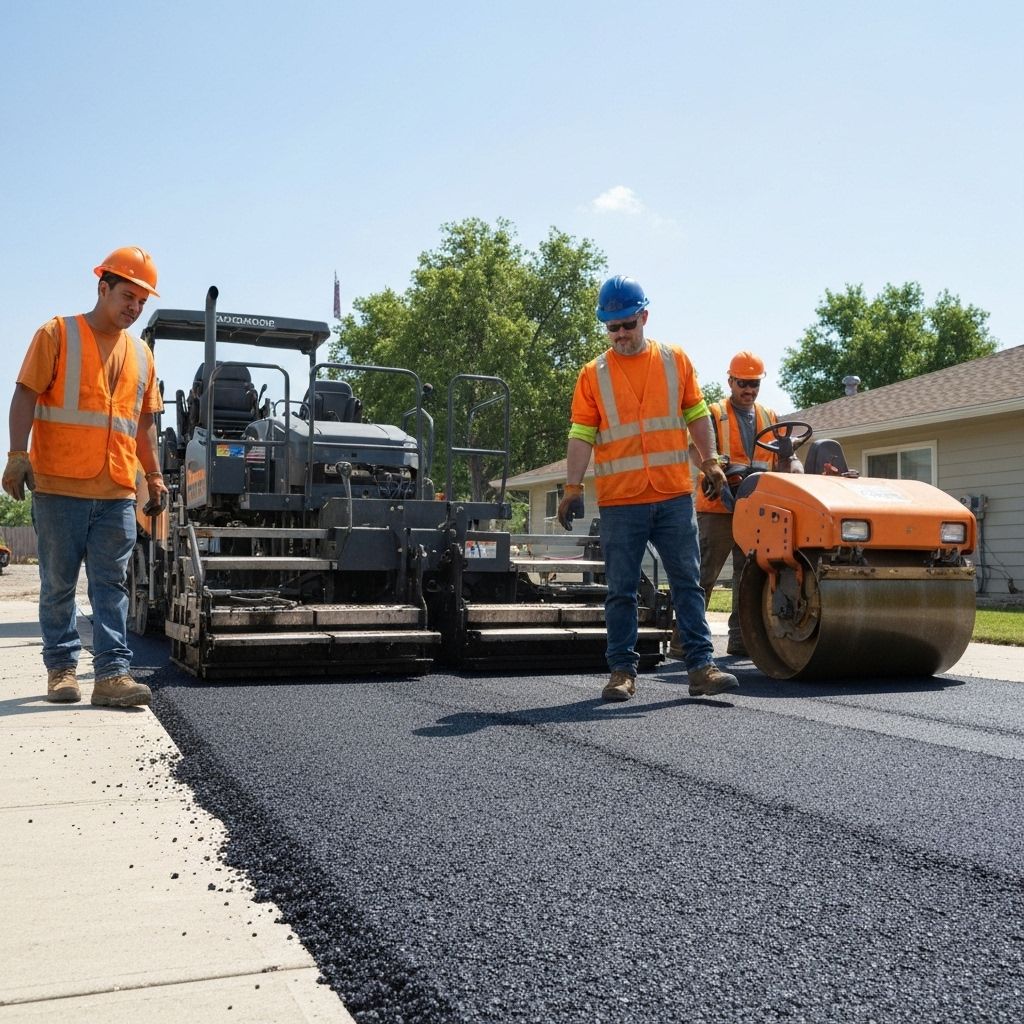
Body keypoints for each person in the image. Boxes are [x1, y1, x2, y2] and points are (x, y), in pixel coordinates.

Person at [557, 275, 739, 702]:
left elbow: (696, 413)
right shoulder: (592, 375)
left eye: (627, 325)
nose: (620, 335)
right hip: (622, 501)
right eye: (612, 327)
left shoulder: (675, 361)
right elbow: (581, 434)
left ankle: (700, 668)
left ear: (644, 317)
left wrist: (710, 461)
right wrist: (570, 487)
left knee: (687, 584)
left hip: (674, 495)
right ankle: (621, 672)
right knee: (620, 590)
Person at [2, 247, 168, 707]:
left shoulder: (142, 354)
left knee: (111, 585)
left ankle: (112, 675)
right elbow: (25, 394)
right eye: (128, 296)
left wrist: (153, 477)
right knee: (57, 584)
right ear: (103, 288)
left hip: (116, 489)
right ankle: (61, 670)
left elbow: (144, 424)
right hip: (59, 486)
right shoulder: (57, 333)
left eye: (142, 301)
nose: (134, 308)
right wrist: (17, 454)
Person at [682, 350, 803, 659]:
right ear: (730, 381)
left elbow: (784, 458)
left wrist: (796, 466)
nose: (748, 391)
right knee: (703, 575)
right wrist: (713, 469)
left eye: (754, 385)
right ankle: (683, 641)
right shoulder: (713, 412)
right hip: (719, 507)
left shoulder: (770, 417)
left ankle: (741, 640)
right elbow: (693, 450)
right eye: (743, 384)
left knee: (747, 577)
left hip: (755, 508)